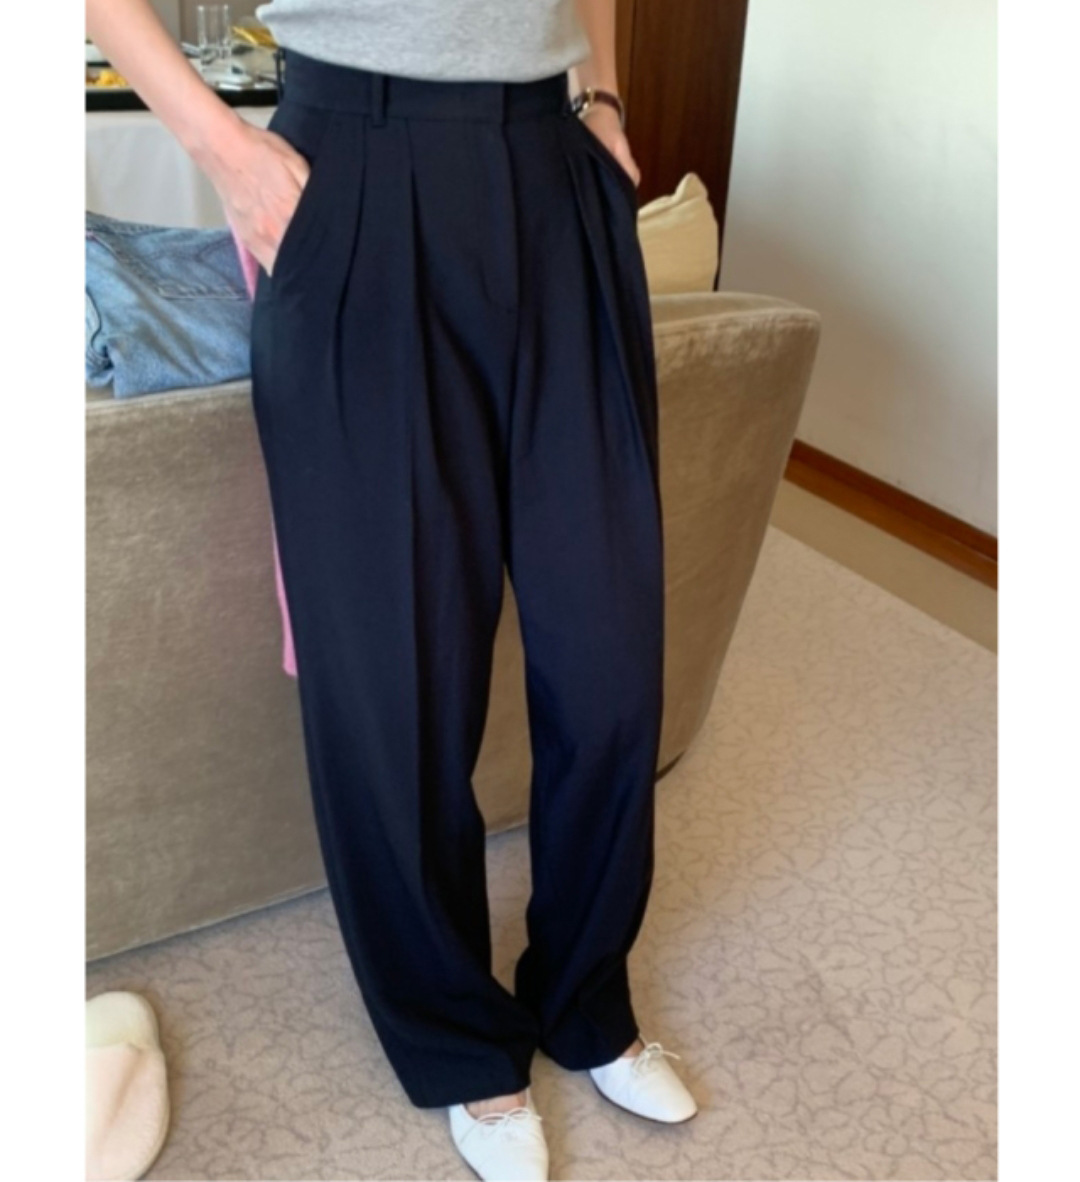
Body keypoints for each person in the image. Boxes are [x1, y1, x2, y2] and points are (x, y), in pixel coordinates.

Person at [85, 1, 699, 1177]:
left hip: (556, 166)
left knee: (611, 650)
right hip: (355, 168)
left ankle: (587, 998)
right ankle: (459, 1039)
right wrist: (221, 144)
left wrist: (605, 100)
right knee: (396, 677)